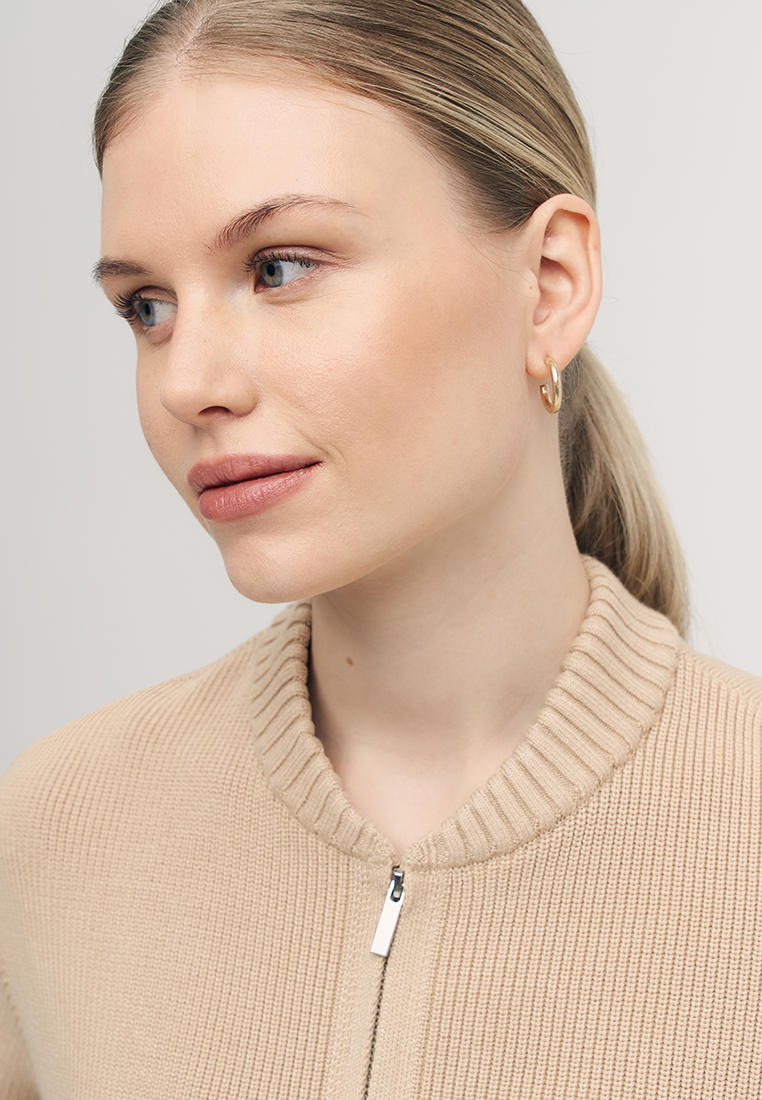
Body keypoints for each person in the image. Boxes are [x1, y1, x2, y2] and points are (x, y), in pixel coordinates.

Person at [1, 0, 760, 1096]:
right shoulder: (58, 828)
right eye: (147, 306)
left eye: (278, 267)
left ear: (550, 283)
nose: (188, 381)